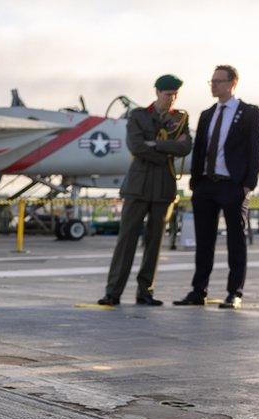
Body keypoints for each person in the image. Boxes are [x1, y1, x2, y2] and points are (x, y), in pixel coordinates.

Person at [174, 65, 259, 309]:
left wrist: (248, 184)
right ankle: (198, 291)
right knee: (203, 241)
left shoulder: (249, 113)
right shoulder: (207, 114)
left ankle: (234, 292)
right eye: (211, 81)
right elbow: (201, 150)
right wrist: (195, 182)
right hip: (205, 185)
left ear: (232, 83)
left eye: (218, 81)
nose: (213, 85)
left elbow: (257, 149)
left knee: (236, 240)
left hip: (232, 186)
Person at [98, 75, 192, 306]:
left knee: (154, 242)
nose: (172, 98)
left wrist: (157, 145)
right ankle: (113, 292)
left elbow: (185, 147)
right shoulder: (138, 116)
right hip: (138, 187)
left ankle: (145, 291)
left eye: (174, 95)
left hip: (164, 187)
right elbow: (137, 147)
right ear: (157, 92)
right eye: (168, 94)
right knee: (126, 240)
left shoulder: (180, 119)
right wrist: (167, 151)